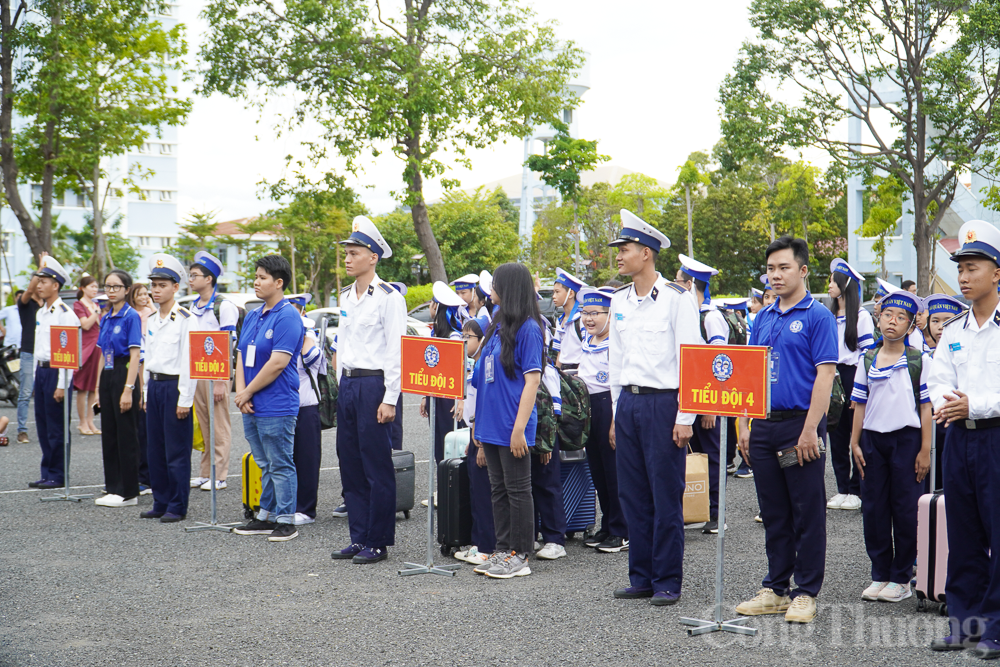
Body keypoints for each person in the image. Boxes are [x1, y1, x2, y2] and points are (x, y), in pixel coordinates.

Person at [735, 236, 837, 624]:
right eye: (771, 269)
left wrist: (812, 430)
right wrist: (745, 423)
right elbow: (749, 374)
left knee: (806, 511)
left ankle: (806, 591)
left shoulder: (817, 316)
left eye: (784, 268)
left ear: (803, 270)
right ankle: (776, 588)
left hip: (800, 425)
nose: (776, 275)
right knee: (774, 511)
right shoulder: (762, 317)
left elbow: (825, 376)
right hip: (763, 425)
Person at [608, 210, 699, 606]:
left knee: (665, 495)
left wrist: (685, 418)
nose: (618, 256)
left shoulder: (677, 300)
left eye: (624, 249)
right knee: (632, 495)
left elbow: (691, 360)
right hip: (628, 403)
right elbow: (615, 361)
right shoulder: (619, 300)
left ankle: (666, 580)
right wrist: (615, 412)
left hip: (664, 403)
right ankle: (641, 576)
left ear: (646, 253)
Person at [927, 220, 1000, 658]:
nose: (964, 277)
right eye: (961, 269)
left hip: (995, 437)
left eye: (973, 267)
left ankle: (995, 625)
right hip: (959, 438)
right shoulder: (953, 330)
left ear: (997, 272)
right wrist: (946, 403)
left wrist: (972, 404)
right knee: (964, 531)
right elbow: (938, 378)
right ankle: (964, 623)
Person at [330, 217, 406, 564]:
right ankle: (358, 537)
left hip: (374, 384)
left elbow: (396, 350)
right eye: (346, 252)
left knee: (377, 467)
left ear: (373, 257)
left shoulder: (389, 298)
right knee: (350, 464)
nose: (347, 258)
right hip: (349, 383)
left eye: (354, 252)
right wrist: (339, 383)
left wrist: (390, 397)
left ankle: (378, 540)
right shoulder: (347, 294)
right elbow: (342, 342)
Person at [849, 288, 930, 603]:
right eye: (887, 315)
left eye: (901, 318)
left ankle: (901, 577)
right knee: (874, 507)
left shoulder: (917, 360)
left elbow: (926, 408)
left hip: (906, 441)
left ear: (911, 325)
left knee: (906, 508)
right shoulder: (867, 357)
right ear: (878, 319)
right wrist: (854, 442)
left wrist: (925, 449)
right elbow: (858, 403)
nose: (893, 322)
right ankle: (880, 573)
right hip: (873, 441)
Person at [469, 262, 544, 580]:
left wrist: (519, 429)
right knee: (498, 490)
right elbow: (483, 380)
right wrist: (478, 426)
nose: (490, 288)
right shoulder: (497, 327)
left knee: (517, 490)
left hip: (513, 426)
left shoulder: (529, 328)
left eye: (496, 283)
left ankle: (520, 554)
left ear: (509, 288)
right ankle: (502, 551)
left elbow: (532, 381)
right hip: (491, 425)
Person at [231, 255, 305, 542]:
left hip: (276, 404)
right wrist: (242, 392)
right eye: (256, 276)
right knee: (264, 462)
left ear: (279, 282)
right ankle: (266, 515)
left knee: (280, 462)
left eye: (262, 277)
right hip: (251, 402)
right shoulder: (253, 314)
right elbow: (240, 355)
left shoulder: (288, 316)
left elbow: (277, 363)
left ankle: (286, 520)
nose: (256, 282)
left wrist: (248, 391)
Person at [140, 254, 196, 524]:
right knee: (155, 448)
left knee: (176, 450)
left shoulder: (186, 318)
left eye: (162, 285)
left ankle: (177, 504)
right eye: (154, 284)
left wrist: (185, 398)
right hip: (156, 386)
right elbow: (148, 359)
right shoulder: (151, 319)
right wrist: (144, 393)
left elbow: (189, 361)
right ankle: (160, 500)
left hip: (175, 387)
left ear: (176, 287)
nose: (156, 290)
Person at [676, 254, 728, 534]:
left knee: (711, 456)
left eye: (679, 281)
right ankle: (698, 508)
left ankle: (717, 513)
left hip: (707, 400)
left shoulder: (710, 317)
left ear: (690, 284)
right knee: (691, 455)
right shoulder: (688, 314)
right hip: (687, 399)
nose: (675, 285)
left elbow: (719, 363)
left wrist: (712, 407)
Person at [577, 286, 628, 553]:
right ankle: (607, 525)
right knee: (597, 471)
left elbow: (616, 386)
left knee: (614, 473)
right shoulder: (589, 339)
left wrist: (613, 423)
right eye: (585, 312)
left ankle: (621, 530)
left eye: (595, 313)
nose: (589, 319)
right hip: (590, 408)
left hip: (608, 406)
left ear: (610, 314)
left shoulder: (614, 343)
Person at [26, 256, 80, 489]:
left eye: (44, 281)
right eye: (39, 281)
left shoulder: (65, 313)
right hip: (43, 371)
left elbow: (69, 353)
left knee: (57, 427)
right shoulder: (41, 313)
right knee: (43, 425)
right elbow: (40, 350)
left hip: (58, 371)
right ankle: (47, 471)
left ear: (56, 285)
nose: (39, 285)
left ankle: (58, 475)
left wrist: (62, 383)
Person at [826, 259, 876, 512]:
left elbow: (866, 356)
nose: (829, 286)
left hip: (853, 375)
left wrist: (859, 389)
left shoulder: (862, 316)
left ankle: (857, 490)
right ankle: (842, 488)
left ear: (844, 285)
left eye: (833, 281)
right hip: (831, 376)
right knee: (836, 434)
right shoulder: (828, 314)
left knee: (855, 434)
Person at [187, 251, 238, 492]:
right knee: (204, 423)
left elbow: (227, 344)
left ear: (209, 279)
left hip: (216, 372)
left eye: (194, 275)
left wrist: (221, 381)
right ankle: (205, 472)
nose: (190, 279)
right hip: (197, 372)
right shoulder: (192, 305)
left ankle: (220, 474)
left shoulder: (224, 306)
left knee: (219, 424)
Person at [92, 269, 143, 508]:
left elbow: (135, 355)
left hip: (125, 373)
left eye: (116, 287)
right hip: (109, 374)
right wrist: (97, 388)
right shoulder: (106, 317)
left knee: (126, 434)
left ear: (127, 289)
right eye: (108, 286)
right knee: (109, 434)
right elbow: (103, 354)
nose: (111, 291)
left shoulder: (131, 316)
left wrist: (128, 389)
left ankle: (129, 491)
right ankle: (113, 487)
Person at [452, 315, 497, 566]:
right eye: (462, 335)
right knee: (476, 492)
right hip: (475, 436)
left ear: (482, 339)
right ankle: (481, 543)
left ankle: (486, 547)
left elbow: (482, 407)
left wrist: (478, 442)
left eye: (467, 337)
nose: (462, 340)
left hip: (481, 438)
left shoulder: (483, 365)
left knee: (482, 495)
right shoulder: (476, 362)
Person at [419, 281, 467, 465]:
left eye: (432, 303)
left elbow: (460, 369)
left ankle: (452, 487)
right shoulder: (435, 334)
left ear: (437, 308)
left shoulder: (454, 337)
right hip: (435, 395)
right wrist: (425, 396)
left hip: (449, 397)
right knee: (438, 443)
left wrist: (460, 399)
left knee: (450, 443)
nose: (430, 307)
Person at [922, 293, 966, 488]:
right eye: (935, 320)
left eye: (947, 321)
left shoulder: (964, 351)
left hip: (956, 421)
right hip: (930, 424)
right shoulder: (921, 356)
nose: (940, 326)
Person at [289, 293, 325, 526]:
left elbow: (312, 359)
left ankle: (306, 510)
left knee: (307, 460)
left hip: (307, 406)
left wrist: (305, 336)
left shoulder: (310, 337)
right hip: (284, 407)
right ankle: (288, 505)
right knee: (286, 459)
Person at [127, 283, 154, 494]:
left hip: (147, 378)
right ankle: (135, 474)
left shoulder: (153, 316)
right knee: (135, 431)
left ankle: (146, 477)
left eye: (147, 293)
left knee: (146, 432)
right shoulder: (130, 316)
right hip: (132, 376)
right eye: (141, 294)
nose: (144, 297)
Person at [73, 275, 102, 436]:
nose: (94, 289)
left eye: (96, 286)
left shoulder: (96, 304)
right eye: (91, 286)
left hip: (98, 348)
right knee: (82, 388)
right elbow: (85, 325)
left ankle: (91, 420)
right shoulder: (79, 305)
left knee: (93, 388)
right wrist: (96, 312)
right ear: (83, 288)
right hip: (86, 349)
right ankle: (82, 421)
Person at [17, 276, 44, 444]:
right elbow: (28, 291)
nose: (40, 286)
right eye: (39, 282)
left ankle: (45, 429)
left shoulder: (48, 306)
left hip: (44, 354)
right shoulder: (25, 303)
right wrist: (41, 270)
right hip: (29, 352)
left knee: (44, 393)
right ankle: (22, 430)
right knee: (26, 393)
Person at [551, 268, 586, 371]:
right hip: (564, 371)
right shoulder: (560, 320)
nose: (554, 296)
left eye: (557, 292)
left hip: (578, 370)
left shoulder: (581, 319)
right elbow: (560, 351)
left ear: (571, 294)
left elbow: (587, 349)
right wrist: (557, 372)